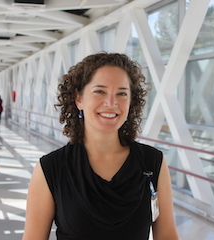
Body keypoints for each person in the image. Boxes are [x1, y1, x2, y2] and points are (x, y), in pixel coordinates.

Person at [23, 52, 179, 240]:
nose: (111, 103)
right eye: (100, 91)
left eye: (122, 93)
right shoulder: (51, 168)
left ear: (131, 102)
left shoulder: (152, 163)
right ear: (78, 99)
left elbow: (167, 235)